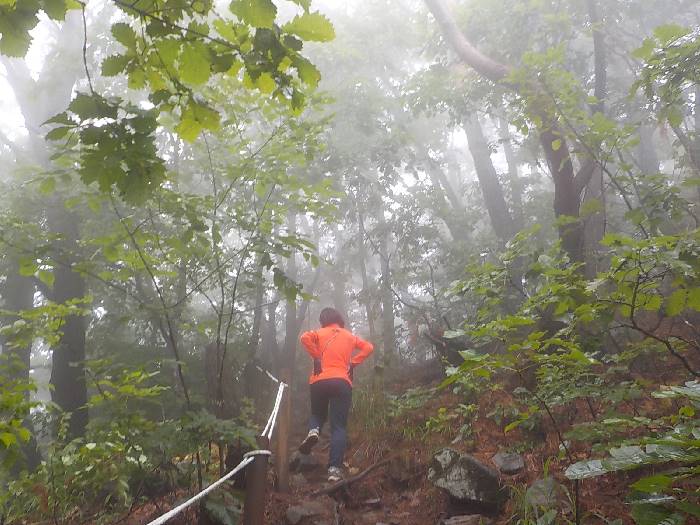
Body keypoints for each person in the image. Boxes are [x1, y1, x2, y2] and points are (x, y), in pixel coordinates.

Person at [298, 307, 374, 482]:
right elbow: (369, 347)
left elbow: (304, 338)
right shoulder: (348, 335)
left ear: (323, 320)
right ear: (338, 319)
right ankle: (334, 470)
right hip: (341, 381)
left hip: (319, 379)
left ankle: (313, 430)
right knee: (338, 426)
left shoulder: (319, 332)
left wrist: (317, 357)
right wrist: (353, 364)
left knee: (317, 414)